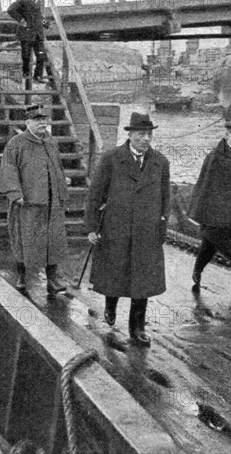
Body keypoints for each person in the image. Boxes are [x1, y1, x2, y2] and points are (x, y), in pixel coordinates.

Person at [84, 112, 170, 347]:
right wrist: (91, 227)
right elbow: (95, 195)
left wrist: (162, 227)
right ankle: (111, 304)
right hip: (116, 228)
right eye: (141, 134)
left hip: (146, 231)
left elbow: (165, 198)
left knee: (142, 280)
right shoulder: (112, 159)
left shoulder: (160, 162)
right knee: (116, 272)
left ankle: (137, 327)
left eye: (149, 134)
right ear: (130, 135)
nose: (146, 139)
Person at [0, 104, 68, 296]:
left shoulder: (51, 142)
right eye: (38, 120)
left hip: (51, 203)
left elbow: (58, 166)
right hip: (27, 203)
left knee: (52, 240)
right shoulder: (16, 143)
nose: (42, 123)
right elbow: (9, 169)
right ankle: (22, 275)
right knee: (24, 240)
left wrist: (62, 188)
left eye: (44, 119)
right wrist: (15, 193)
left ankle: (52, 278)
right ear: (28, 122)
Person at [189, 119, 231, 299]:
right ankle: (198, 269)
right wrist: (209, 213)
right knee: (210, 244)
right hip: (218, 215)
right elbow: (205, 186)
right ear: (226, 135)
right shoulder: (215, 157)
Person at [7, 0, 49, 84]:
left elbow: (39, 17)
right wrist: (21, 20)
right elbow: (10, 9)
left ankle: (37, 76)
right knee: (26, 55)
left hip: (37, 34)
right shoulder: (22, 1)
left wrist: (46, 24)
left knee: (41, 55)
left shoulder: (37, 3)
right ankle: (26, 73)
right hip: (26, 33)